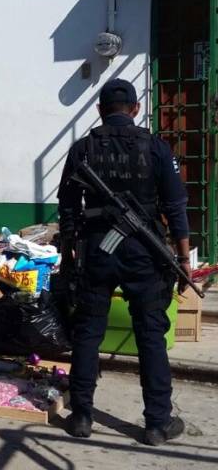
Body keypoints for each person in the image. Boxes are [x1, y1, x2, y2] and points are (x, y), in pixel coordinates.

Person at [57, 79, 189, 446]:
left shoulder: (83, 149)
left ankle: (81, 416)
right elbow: (176, 207)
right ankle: (157, 424)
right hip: (143, 253)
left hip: (98, 249)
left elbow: (68, 206)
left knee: (88, 332)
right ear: (135, 109)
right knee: (150, 335)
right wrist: (183, 258)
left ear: (100, 110)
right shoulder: (156, 148)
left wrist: (69, 252)